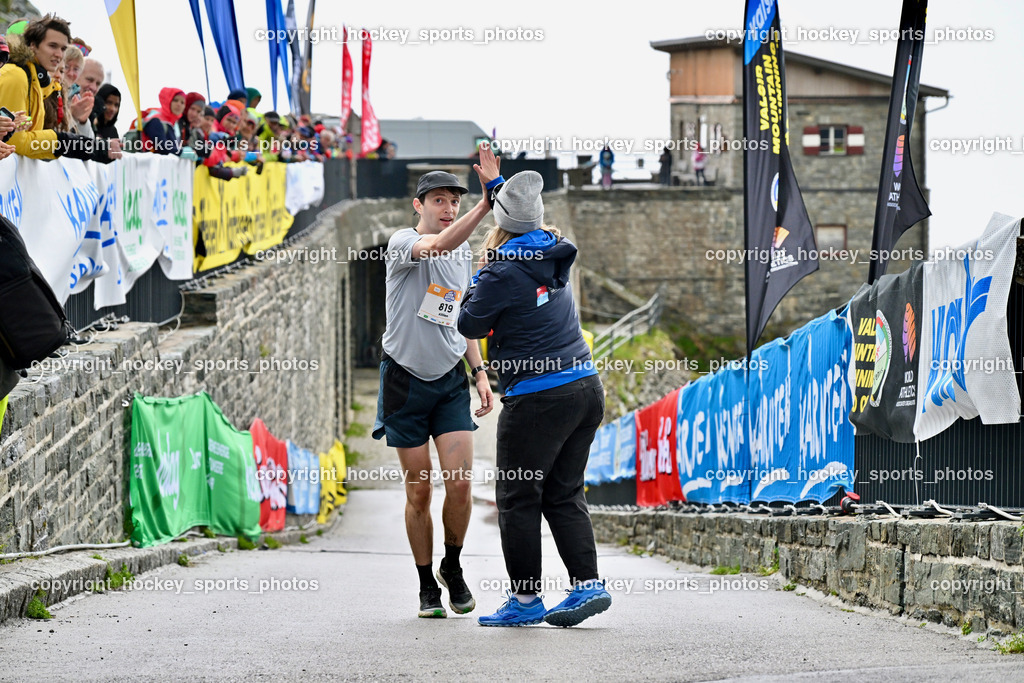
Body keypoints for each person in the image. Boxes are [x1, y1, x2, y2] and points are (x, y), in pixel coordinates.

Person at [458, 170, 612, 628]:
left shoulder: (501, 270)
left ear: (500, 222)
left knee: (517, 497)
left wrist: (474, 280)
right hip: (585, 387)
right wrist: (502, 184)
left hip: (538, 397)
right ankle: (588, 585)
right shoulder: (551, 246)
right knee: (564, 493)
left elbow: (469, 325)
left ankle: (526, 600)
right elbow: (522, 211)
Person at [372, 146, 499, 619]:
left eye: (456, 202)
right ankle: (426, 584)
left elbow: (460, 317)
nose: (448, 209)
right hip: (404, 379)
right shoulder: (402, 241)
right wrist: (487, 204)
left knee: (461, 484)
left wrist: (479, 373)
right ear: (419, 205)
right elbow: (436, 247)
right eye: (440, 201)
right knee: (420, 491)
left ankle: (453, 565)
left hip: (448, 380)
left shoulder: (463, 251)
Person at [0, 14, 119, 162]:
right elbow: (15, 143)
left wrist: (73, 141)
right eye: (52, 46)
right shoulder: (16, 76)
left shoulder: (39, 83)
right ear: (32, 45)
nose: (59, 54)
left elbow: (28, 140)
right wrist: (63, 141)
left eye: (63, 48)